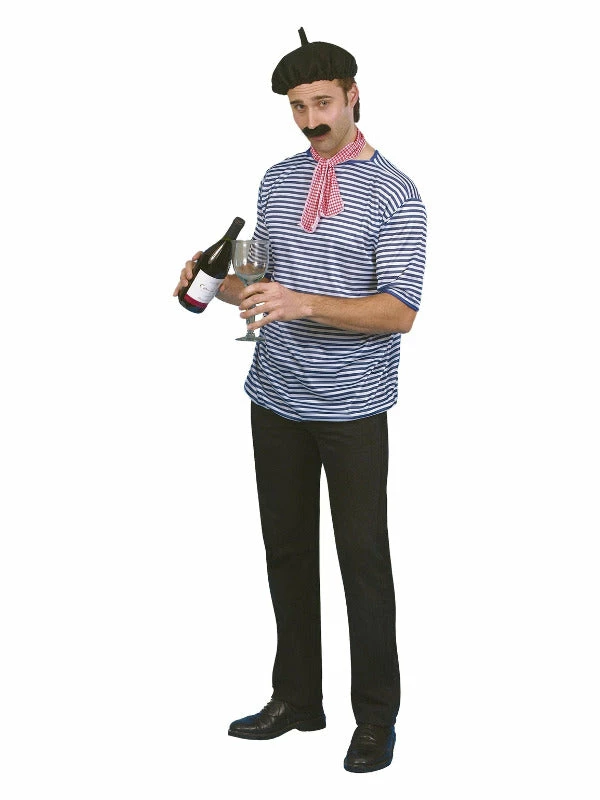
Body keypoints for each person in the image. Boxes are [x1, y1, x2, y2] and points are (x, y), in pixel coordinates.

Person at [174, 28, 427, 773]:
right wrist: (214, 284)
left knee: (362, 561)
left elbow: (400, 311)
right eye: (297, 106)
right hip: (275, 396)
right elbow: (261, 287)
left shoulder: (397, 194)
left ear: (353, 96)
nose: (310, 119)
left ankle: (375, 718)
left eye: (322, 103)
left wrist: (305, 304)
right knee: (285, 551)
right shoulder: (276, 180)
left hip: (352, 409)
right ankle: (296, 699)